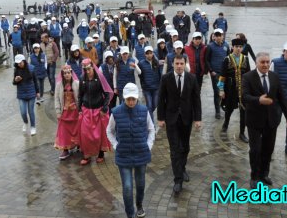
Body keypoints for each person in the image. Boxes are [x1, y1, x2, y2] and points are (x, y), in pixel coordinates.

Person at [242, 52, 287, 189]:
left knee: (268, 149)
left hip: (271, 120)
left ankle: (264, 174)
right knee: (255, 149)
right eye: (262, 62)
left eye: (267, 62)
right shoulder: (248, 77)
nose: (265, 65)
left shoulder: (274, 77)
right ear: (256, 63)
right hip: (254, 120)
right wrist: (258, 100)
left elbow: (282, 98)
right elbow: (244, 96)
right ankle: (254, 176)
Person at [106, 83, 155, 218]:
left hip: (141, 154)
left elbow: (151, 130)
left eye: (133, 99)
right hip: (124, 155)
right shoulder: (116, 112)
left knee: (140, 184)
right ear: (124, 98)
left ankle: (139, 204)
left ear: (137, 98)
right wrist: (116, 145)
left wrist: (148, 145)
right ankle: (130, 214)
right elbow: (109, 131)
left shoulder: (144, 111)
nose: (131, 102)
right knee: (127, 187)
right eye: (128, 99)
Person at [157, 54, 202, 194]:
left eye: (181, 63)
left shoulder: (192, 78)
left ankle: (182, 168)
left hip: (186, 119)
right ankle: (178, 179)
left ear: (185, 64)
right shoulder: (166, 78)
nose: (179, 66)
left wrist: (198, 119)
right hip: (171, 119)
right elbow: (161, 99)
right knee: (175, 149)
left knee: (185, 147)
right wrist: (160, 118)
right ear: (173, 64)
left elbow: (196, 99)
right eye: (176, 63)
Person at [78, 58, 113, 165]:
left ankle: (101, 153)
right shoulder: (82, 78)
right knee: (85, 133)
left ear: (92, 67)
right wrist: (79, 108)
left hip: (99, 110)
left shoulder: (100, 78)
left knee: (99, 134)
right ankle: (87, 155)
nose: (87, 72)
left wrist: (104, 108)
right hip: (86, 110)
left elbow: (107, 94)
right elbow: (80, 95)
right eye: (85, 69)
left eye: (89, 69)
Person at [218, 38, 251, 143]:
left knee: (244, 111)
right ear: (232, 47)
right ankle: (226, 124)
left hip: (243, 90)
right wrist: (221, 89)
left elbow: (249, 75)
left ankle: (242, 133)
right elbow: (222, 76)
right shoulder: (227, 59)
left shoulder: (245, 58)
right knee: (229, 109)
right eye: (236, 47)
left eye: (240, 47)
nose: (238, 49)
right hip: (230, 88)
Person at [54, 65, 80, 160]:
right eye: (65, 73)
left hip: (75, 112)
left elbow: (80, 97)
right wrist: (57, 111)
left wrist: (80, 109)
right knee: (64, 130)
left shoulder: (77, 83)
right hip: (64, 112)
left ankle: (78, 144)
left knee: (77, 129)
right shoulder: (59, 85)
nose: (67, 75)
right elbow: (56, 99)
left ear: (71, 73)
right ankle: (65, 149)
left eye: (68, 73)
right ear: (62, 74)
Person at [13, 54, 40, 136]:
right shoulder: (16, 70)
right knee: (23, 112)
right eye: (17, 63)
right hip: (21, 94)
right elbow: (14, 82)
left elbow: (35, 81)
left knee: (31, 111)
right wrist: (16, 80)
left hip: (31, 93)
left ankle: (33, 127)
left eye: (20, 63)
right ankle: (25, 122)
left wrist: (37, 92)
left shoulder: (31, 68)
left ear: (24, 61)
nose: (19, 64)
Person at [206, 28, 230, 119]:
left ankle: (223, 105)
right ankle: (217, 111)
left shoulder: (226, 45)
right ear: (214, 37)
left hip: (225, 73)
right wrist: (211, 71)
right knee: (217, 92)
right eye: (217, 35)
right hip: (215, 73)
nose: (219, 37)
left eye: (220, 35)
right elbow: (207, 60)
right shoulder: (210, 46)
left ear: (223, 36)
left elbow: (229, 58)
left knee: (224, 91)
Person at [138, 46, 161, 121]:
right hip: (147, 88)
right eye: (147, 53)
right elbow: (140, 75)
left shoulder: (156, 62)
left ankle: (147, 114)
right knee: (149, 105)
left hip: (156, 87)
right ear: (145, 54)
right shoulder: (141, 63)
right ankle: (151, 123)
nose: (149, 55)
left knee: (155, 104)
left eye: (150, 53)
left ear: (153, 54)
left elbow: (159, 74)